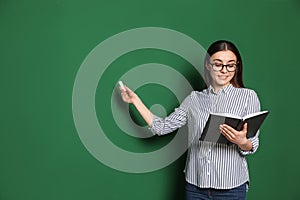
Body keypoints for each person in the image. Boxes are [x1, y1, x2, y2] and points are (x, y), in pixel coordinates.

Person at [119, 40, 261, 200]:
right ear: (208, 65)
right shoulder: (194, 99)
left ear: (237, 67)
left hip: (231, 187)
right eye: (218, 64)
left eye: (230, 65)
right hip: (195, 187)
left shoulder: (248, 97)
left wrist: (242, 142)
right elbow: (162, 127)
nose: (224, 70)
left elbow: (253, 143)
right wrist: (135, 100)